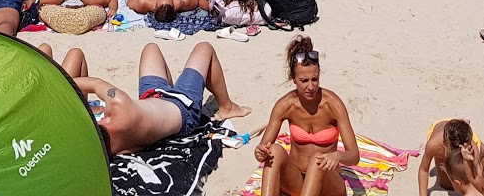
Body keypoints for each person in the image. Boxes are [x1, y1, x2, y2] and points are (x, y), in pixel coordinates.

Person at [51, 40, 249, 155]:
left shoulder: (107, 150)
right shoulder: (119, 106)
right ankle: (227, 107)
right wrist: (56, 87)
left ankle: (170, 89)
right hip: (183, 108)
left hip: (152, 95)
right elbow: (94, 83)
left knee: (151, 48)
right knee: (204, 48)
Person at [255, 36, 361, 196]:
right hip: (296, 180)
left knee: (317, 159)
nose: (310, 86)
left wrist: (337, 156)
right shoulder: (286, 105)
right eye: (304, 80)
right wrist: (260, 152)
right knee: (275, 151)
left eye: (315, 79)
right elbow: (263, 149)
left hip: (328, 183)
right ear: (294, 79)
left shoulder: (333, 104)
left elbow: (354, 156)